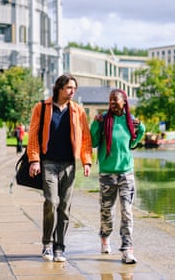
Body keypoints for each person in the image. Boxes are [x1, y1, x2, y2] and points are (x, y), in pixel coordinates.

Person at [27, 74, 92, 262]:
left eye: (74, 88)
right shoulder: (42, 107)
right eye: (69, 88)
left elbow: (86, 138)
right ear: (59, 88)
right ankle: (47, 243)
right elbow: (33, 135)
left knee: (64, 207)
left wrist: (86, 161)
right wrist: (34, 160)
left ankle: (59, 247)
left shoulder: (78, 111)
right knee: (51, 202)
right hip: (49, 163)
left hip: (69, 165)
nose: (73, 92)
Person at [90, 89, 146, 264]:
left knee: (127, 212)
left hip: (126, 173)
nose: (113, 103)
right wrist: (95, 124)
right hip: (107, 174)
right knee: (107, 211)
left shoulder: (130, 121)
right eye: (111, 101)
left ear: (124, 102)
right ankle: (105, 237)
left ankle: (127, 249)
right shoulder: (104, 119)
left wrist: (141, 128)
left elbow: (133, 143)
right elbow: (93, 142)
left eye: (116, 101)